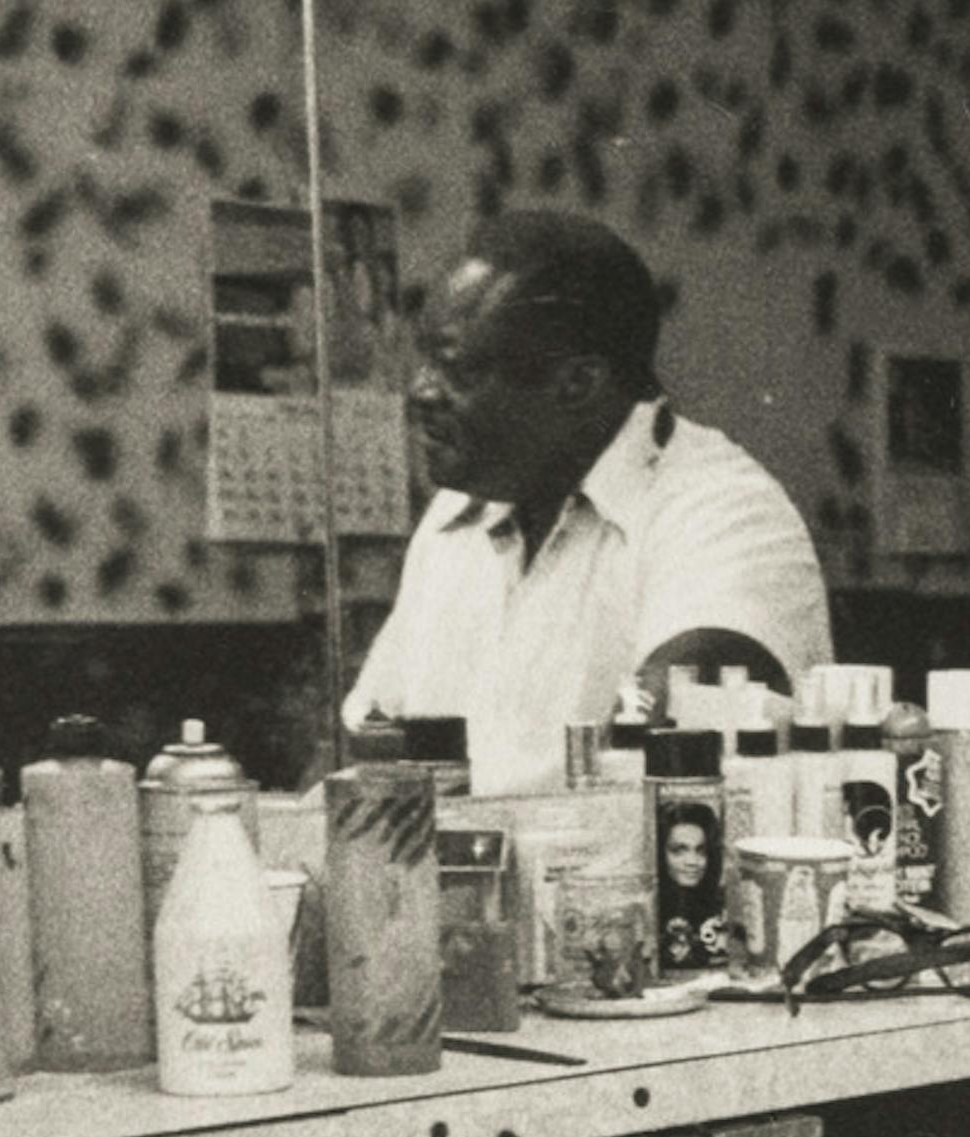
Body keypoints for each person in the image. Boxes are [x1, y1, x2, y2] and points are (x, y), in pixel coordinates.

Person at [344, 209, 831, 795]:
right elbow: (376, 739)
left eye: (455, 368)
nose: (419, 392)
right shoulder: (454, 518)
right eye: (424, 361)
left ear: (578, 383)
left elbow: (672, 730)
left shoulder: (724, 510)